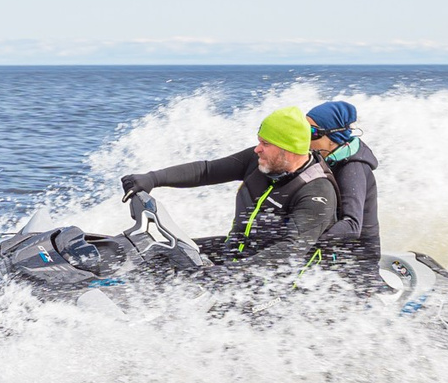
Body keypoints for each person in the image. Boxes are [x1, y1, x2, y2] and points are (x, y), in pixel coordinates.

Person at [121, 107, 337, 266]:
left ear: (288, 150)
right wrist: (152, 179)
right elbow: (207, 171)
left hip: (276, 285)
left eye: (266, 144)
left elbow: (288, 251)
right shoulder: (258, 161)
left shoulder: (317, 192)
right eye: (259, 141)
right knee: (158, 257)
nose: (257, 149)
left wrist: (225, 274)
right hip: (234, 252)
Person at [306, 100, 381, 281]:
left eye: (312, 132)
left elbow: (352, 225)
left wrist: (305, 240)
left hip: (356, 263)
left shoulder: (352, 169)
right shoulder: (322, 158)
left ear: (333, 138)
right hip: (330, 252)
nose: (304, 137)